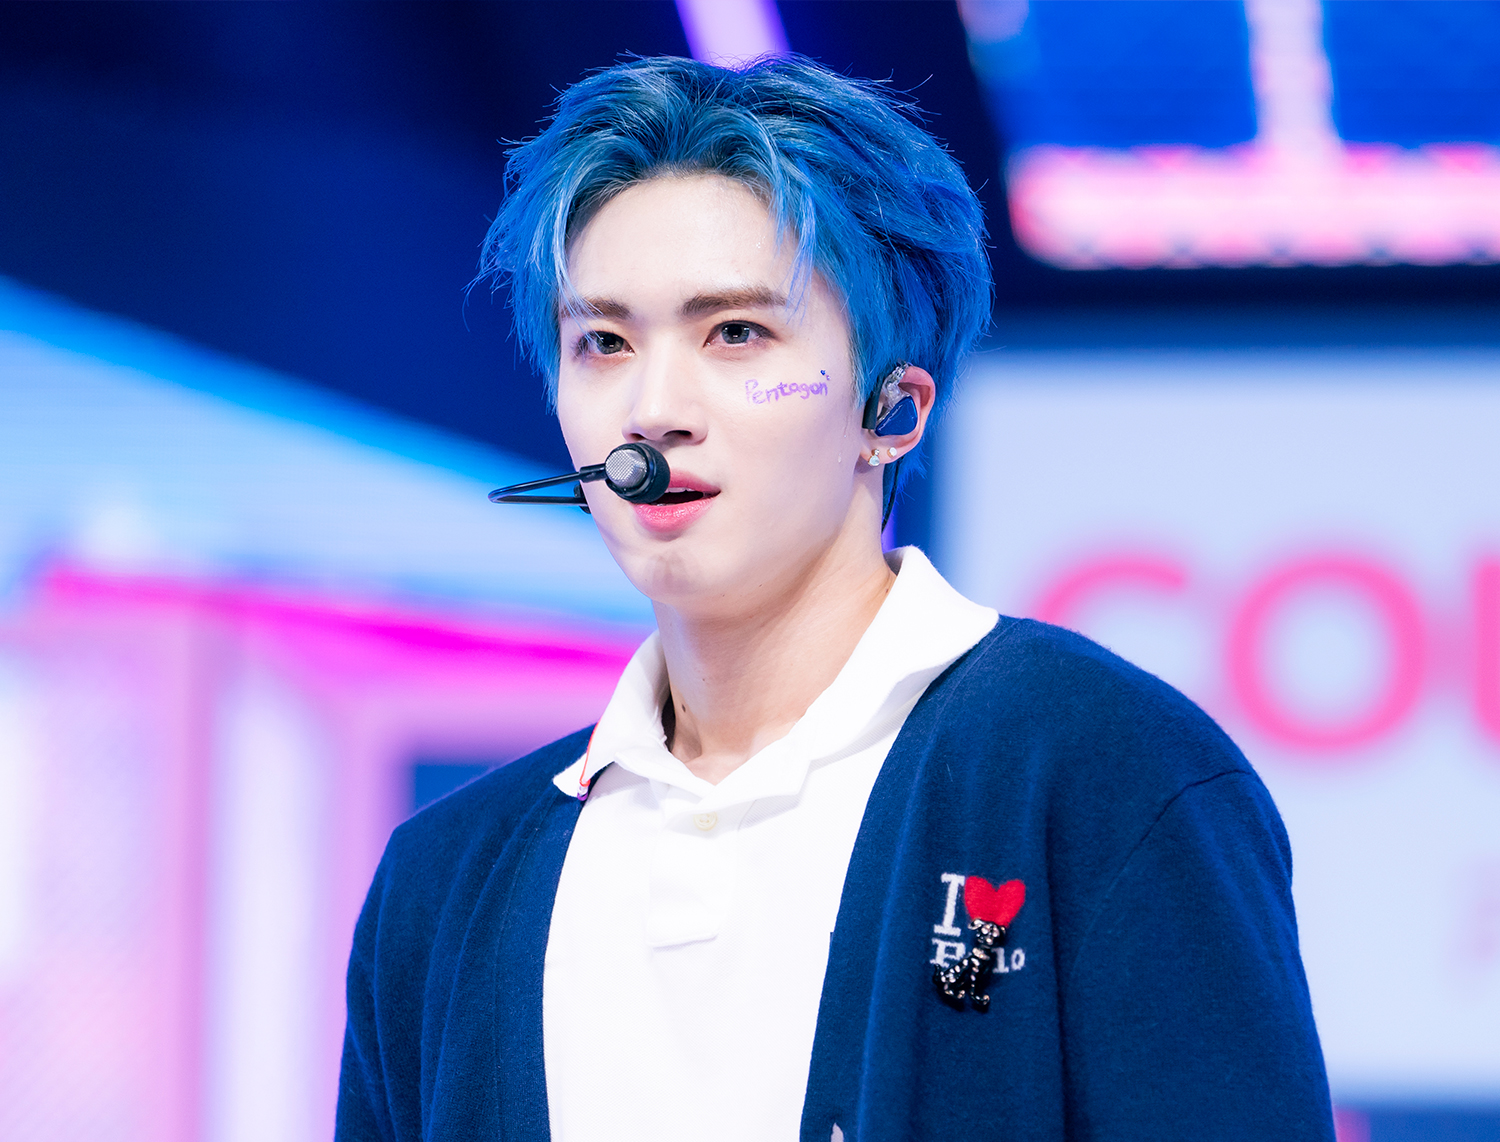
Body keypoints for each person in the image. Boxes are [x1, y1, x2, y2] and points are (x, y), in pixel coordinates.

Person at [336, 55, 1335, 1142]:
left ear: (892, 409)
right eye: (604, 343)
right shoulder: (443, 884)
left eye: (736, 334)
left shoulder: (1098, 770)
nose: (653, 409)